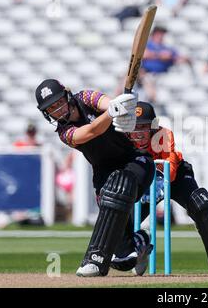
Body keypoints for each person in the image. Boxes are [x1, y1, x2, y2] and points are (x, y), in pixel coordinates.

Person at [35, 79, 155, 277]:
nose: (57, 110)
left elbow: (106, 102)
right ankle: (141, 243)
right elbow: (92, 131)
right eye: (51, 108)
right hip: (104, 174)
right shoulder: (64, 133)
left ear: (66, 95)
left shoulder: (85, 97)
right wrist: (111, 113)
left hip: (135, 161)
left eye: (58, 102)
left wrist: (121, 105)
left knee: (118, 188)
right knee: (124, 259)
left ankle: (95, 259)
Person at [110, 101, 208, 275]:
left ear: (152, 126)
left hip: (172, 178)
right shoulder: (121, 140)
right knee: (119, 219)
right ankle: (141, 246)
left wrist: (155, 184)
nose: (138, 133)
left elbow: (171, 172)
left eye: (144, 126)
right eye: (134, 127)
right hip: (142, 180)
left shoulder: (163, 135)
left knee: (202, 203)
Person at [140, 26, 190, 101]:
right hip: (147, 72)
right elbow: (143, 55)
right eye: (159, 34)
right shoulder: (148, 45)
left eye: (162, 34)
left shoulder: (166, 47)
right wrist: (160, 55)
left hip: (162, 74)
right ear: (154, 34)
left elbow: (180, 58)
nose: (161, 36)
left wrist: (171, 57)